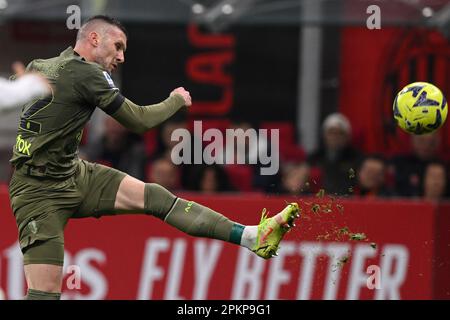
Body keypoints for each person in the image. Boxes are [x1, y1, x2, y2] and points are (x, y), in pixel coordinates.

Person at [8, 15, 299, 300]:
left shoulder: (42, 65)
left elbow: (15, 91)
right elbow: (138, 120)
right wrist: (176, 100)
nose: (121, 57)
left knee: (156, 198)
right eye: (118, 46)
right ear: (94, 38)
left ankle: (251, 236)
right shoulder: (87, 73)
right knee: (44, 294)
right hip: (38, 194)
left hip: (72, 174)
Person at [307, 113, 362, 195]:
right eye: (331, 133)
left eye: (340, 133)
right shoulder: (314, 158)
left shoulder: (356, 158)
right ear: (324, 135)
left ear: (347, 137)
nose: (335, 137)